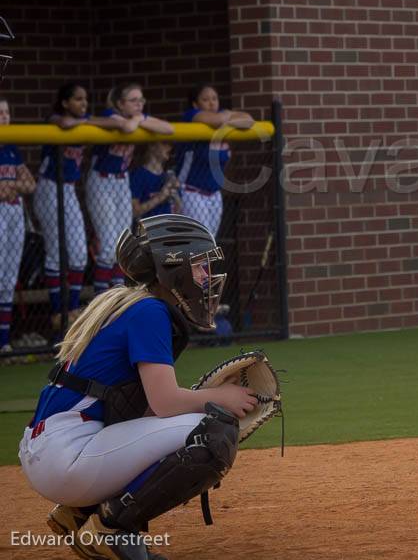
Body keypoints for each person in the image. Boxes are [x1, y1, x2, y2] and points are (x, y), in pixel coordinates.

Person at [18, 214, 256, 560]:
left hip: (54, 450)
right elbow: (164, 403)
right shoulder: (150, 313)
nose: (206, 277)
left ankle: (80, 512)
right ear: (172, 269)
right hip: (67, 456)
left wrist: (201, 401)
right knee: (214, 431)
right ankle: (111, 529)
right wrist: (220, 397)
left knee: (196, 425)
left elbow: (138, 409)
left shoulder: (129, 303)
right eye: (199, 266)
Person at [34, 83, 130, 333]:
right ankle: (59, 311)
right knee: (57, 252)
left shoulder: (87, 120)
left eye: (85, 100)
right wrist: (85, 121)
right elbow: (64, 124)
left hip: (68, 188)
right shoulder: (55, 118)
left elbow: (115, 124)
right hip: (49, 187)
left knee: (78, 254)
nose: (83, 104)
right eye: (77, 100)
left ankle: (74, 309)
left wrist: (87, 120)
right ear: (65, 102)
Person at [87, 83, 174, 295]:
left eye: (141, 100)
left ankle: (116, 296)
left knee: (123, 244)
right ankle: (101, 300)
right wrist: (138, 120)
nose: (139, 104)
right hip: (101, 181)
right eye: (133, 100)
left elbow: (169, 129)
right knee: (108, 245)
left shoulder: (137, 119)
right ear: (119, 104)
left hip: (121, 181)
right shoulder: (111, 115)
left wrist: (140, 118)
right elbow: (126, 128)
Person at [176, 85, 254, 239]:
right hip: (191, 192)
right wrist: (228, 115)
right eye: (205, 100)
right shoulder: (191, 115)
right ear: (195, 104)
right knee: (198, 244)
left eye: (214, 99)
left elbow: (249, 121)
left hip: (214, 194)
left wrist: (225, 117)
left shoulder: (222, 119)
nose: (212, 103)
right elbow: (217, 120)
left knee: (209, 244)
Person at [1, 97, 37, 353]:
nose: (4, 117)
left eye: (6, 112)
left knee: (8, 277)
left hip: (14, 211)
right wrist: (14, 186)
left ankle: (3, 343)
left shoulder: (11, 148)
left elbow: (30, 184)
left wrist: (10, 186)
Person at [130, 143, 182, 221]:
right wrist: (161, 196)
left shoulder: (168, 176)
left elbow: (179, 211)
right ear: (152, 146)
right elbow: (134, 211)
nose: (170, 147)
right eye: (165, 143)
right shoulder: (139, 175)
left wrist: (176, 198)